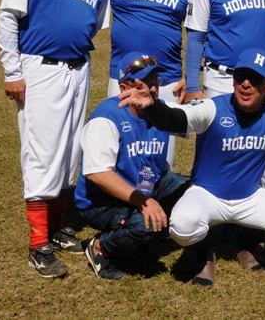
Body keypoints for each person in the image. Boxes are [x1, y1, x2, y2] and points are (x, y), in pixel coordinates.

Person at [117, 48, 265, 287]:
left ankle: (243, 240)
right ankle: (203, 250)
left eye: (254, 79)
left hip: (250, 197)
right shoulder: (213, 108)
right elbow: (176, 118)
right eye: (240, 77)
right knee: (182, 227)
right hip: (206, 194)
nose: (245, 84)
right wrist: (151, 107)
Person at [0, 0, 110, 278]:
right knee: (42, 152)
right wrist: (13, 71)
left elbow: (93, 26)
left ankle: (58, 226)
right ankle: (37, 244)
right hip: (40, 68)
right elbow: (8, 16)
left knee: (68, 151)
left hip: (78, 69)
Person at [76, 53, 192, 280]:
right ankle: (100, 247)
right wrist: (144, 201)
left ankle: (142, 238)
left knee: (195, 191)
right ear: (122, 88)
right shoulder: (107, 118)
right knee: (146, 226)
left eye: (155, 82)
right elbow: (98, 175)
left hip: (147, 184)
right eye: (143, 85)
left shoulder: (159, 110)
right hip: (102, 202)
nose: (152, 90)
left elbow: (199, 119)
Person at [105, 0, 199, 170]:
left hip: (165, 82)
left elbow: (200, 33)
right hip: (123, 78)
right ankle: (121, 205)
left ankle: (157, 203)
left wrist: (192, 77)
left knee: (160, 154)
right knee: (119, 146)